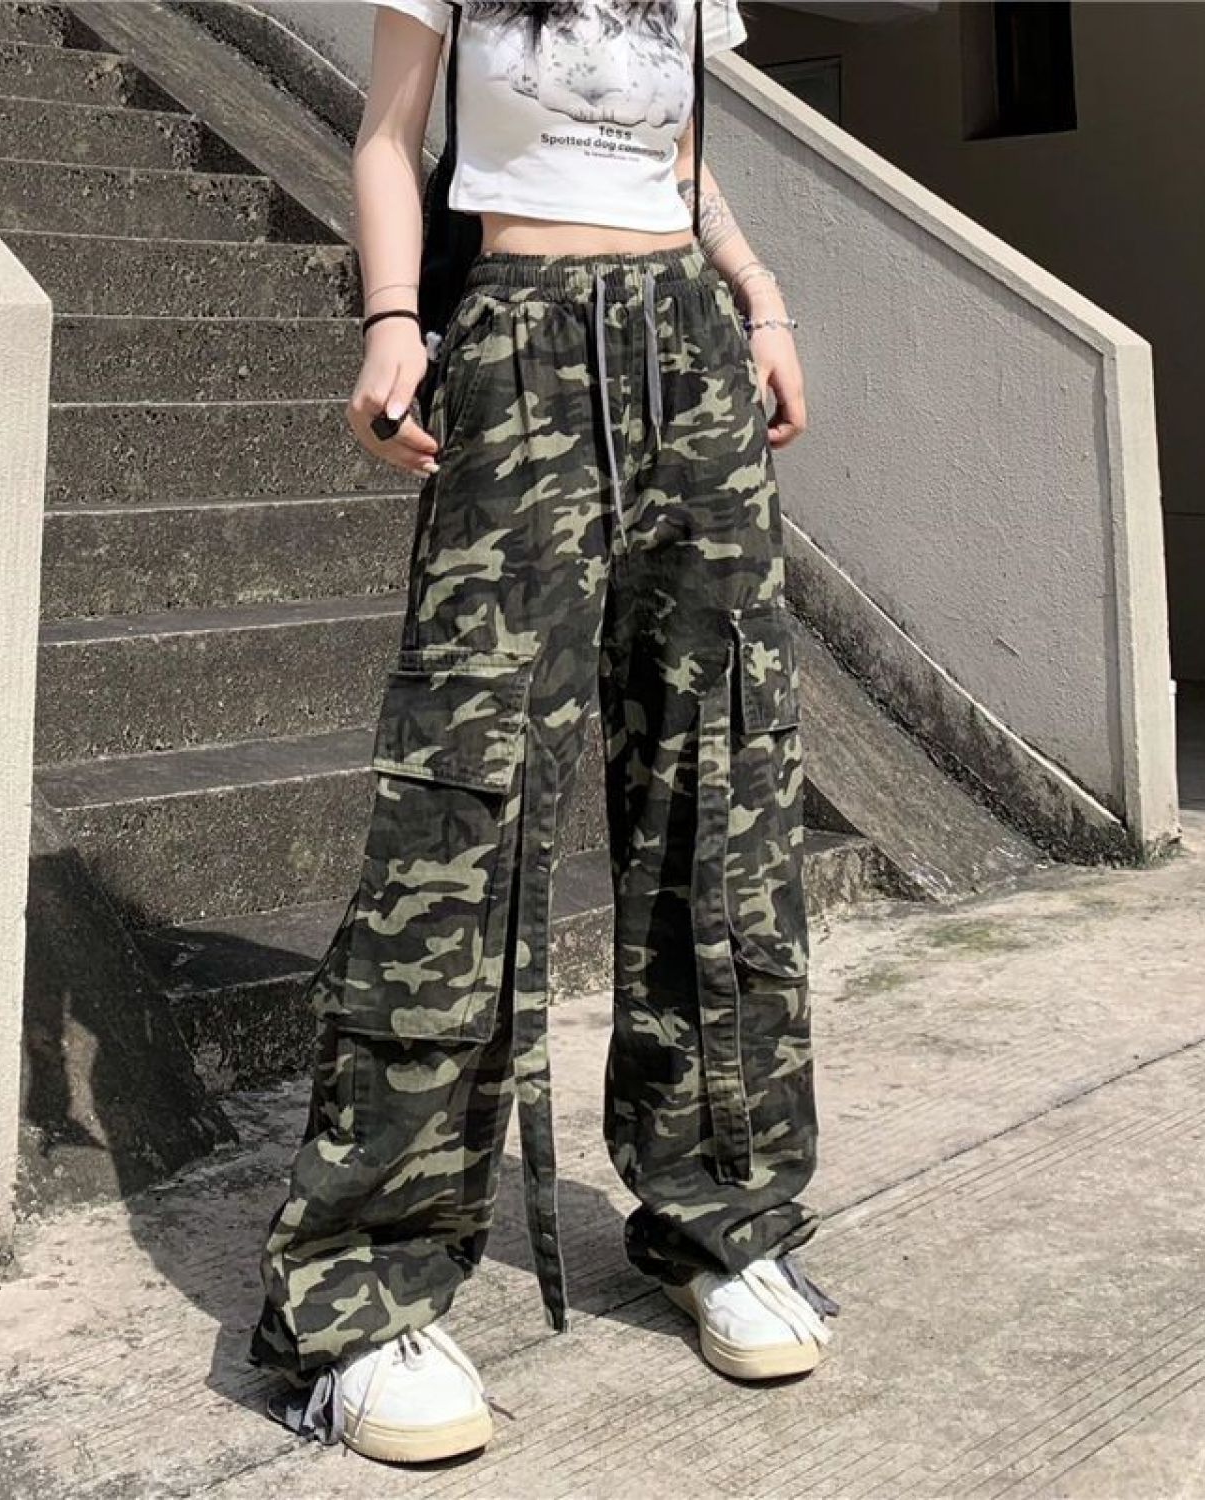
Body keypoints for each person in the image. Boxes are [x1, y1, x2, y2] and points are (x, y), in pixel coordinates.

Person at [248, 0, 839, 1464]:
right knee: (465, 798)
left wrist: (761, 300)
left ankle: (723, 1213)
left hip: (691, 354)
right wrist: (394, 320)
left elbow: (675, 152)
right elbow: (389, 135)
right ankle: (364, 1283)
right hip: (517, 347)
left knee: (725, 775)